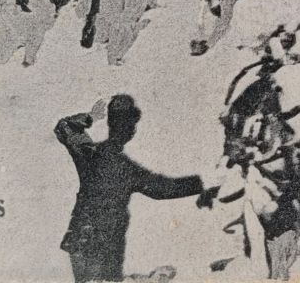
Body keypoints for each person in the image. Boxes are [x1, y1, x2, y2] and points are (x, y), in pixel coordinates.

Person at [56, 94, 210, 283]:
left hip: (83, 240)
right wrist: (207, 182)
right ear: (130, 129)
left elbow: (65, 127)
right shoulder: (126, 169)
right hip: (105, 245)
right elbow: (164, 189)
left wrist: (90, 117)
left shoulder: (89, 154)